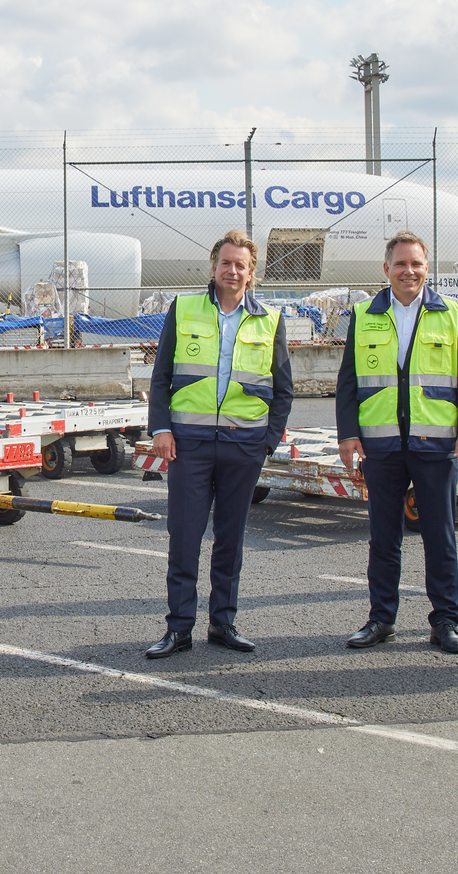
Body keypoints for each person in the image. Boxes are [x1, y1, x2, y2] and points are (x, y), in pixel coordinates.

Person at [143, 229, 294, 659]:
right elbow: (161, 376)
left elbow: (283, 389)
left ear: (251, 272)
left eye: (240, 265)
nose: (232, 271)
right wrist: (161, 429)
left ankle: (223, 623)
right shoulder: (184, 308)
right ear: (213, 267)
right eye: (225, 263)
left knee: (230, 540)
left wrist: (267, 442)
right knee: (184, 538)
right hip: (188, 444)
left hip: (243, 446)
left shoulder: (270, 320)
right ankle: (179, 629)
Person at [339, 231, 458, 654]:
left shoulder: (452, 313)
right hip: (381, 446)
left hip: (434, 443)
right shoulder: (363, 314)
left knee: (440, 538)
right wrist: (348, 434)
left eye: (416, 264)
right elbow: (348, 382)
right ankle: (381, 619)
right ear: (387, 269)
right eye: (400, 264)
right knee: (384, 540)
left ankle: (446, 622)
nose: (409, 271)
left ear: (426, 268)